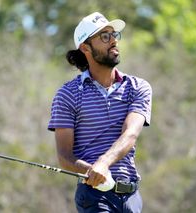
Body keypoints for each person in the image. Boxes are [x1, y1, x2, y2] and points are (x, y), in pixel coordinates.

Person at [48, 12, 152, 213]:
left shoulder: (138, 87)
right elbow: (64, 156)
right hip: (94, 196)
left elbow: (130, 134)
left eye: (113, 35)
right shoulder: (68, 94)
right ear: (86, 47)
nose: (113, 40)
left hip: (131, 197)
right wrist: (91, 170)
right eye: (104, 36)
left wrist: (103, 163)